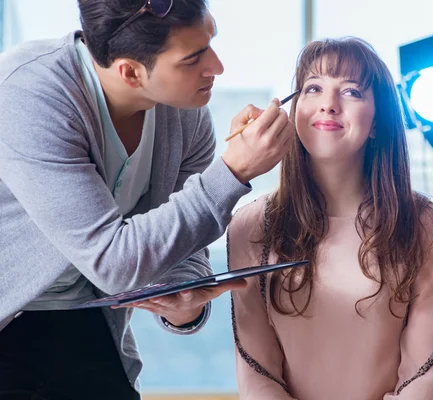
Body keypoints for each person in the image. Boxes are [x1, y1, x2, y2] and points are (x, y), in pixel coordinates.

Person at [0, 0, 293, 399]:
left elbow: (182, 232)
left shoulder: (186, 113)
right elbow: (113, 261)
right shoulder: (30, 96)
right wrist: (233, 172)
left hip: (90, 326)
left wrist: (183, 294)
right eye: (193, 58)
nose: (217, 67)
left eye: (211, 42)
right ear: (130, 72)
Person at [228, 37, 433, 399]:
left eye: (351, 92)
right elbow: (256, 371)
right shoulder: (252, 227)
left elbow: (425, 373)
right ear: (293, 109)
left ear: (378, 122)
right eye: (314, 88)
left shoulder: (423, 223)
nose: (328, 105)